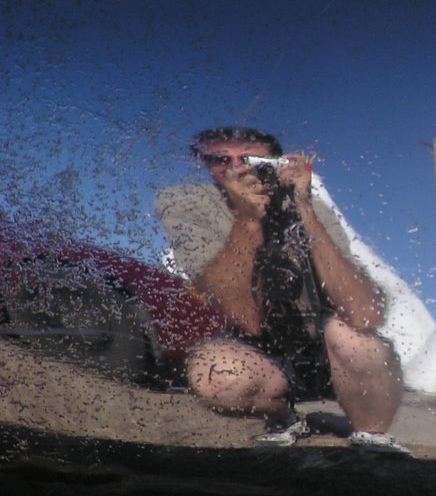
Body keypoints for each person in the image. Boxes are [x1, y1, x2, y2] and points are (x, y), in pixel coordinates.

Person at [156, 126, 407, 451]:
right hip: (257, 353)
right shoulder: (185, 203)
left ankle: (372, 437)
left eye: (249, 159)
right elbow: (244, 316)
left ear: (276, 163)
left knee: (355, 338)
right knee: (215, 374)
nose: (237, 168)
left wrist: (304, 207)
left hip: (324, 350)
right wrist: (248, 220)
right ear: (207, 166)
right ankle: (283, 418)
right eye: (220, 159)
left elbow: (364, 312)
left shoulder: (311, 205)